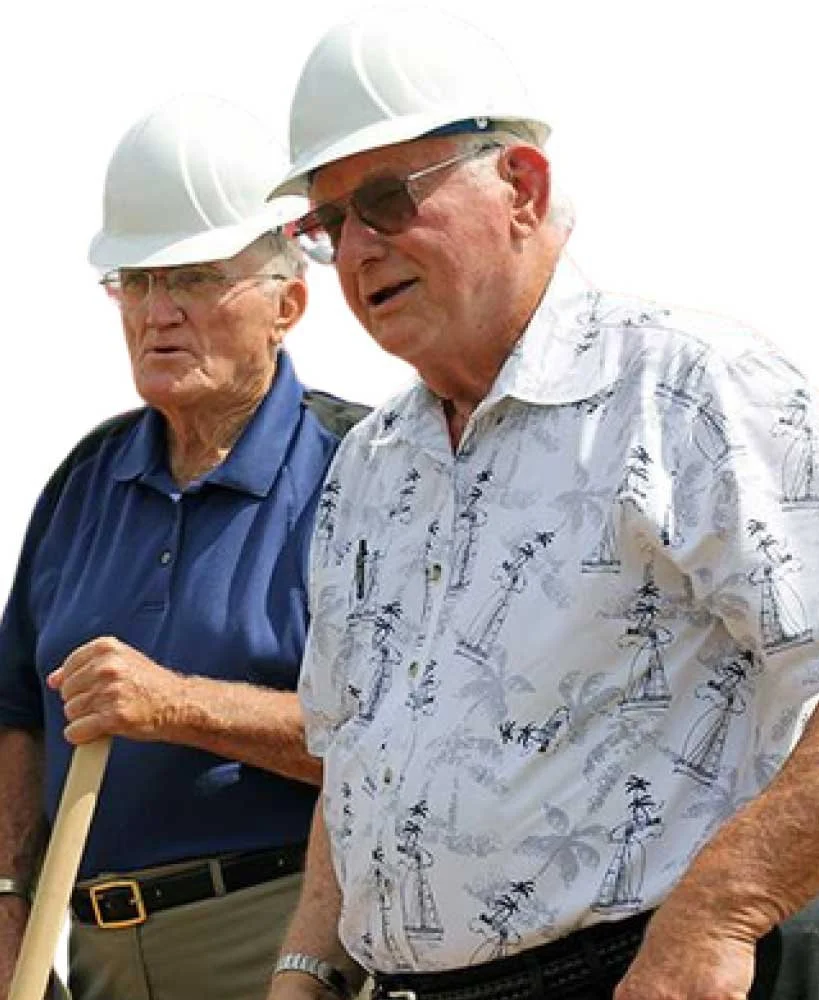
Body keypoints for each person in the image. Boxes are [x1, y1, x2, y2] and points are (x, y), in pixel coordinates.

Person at [263, 10, 819, 1000]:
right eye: (326, 222)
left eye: (386, 199)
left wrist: (722, 913)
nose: (355, 248)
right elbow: (358, 756)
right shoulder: (366, 466)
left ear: (521, 186)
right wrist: (310, 963)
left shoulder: (688, 390)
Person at [0, 94, 366, 1000]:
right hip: (93, 953)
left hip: (283, 938)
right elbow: (16, 719)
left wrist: (179, 706)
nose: (158, 312)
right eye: (136, 280)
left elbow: (407, 741)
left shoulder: (366, 470)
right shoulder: (88, 474)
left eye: (198, 277)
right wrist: (7, 906)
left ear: (288, 302)